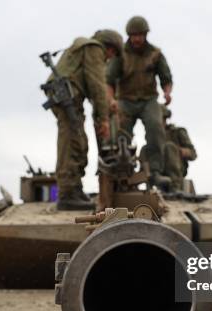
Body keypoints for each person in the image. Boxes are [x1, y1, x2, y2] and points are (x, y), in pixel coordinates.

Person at [47, 30, 123, 210]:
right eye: (112, 54)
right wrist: (103, 119)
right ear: (109, 47)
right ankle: (67, 194)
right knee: (72, 142)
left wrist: (106, 105)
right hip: (66, 98)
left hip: (67, 97)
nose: (109, 59)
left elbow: (90, 86)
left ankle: (74, 189)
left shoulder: (84, 47)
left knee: (78, 140)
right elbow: (96, 85)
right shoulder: (95, 49)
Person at [106, 16, 173, 189]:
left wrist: (167, 93)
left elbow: (166, 77)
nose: (137, 39)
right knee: (120, 134)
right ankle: (122, 174)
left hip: (148, 100)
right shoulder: (121, 54)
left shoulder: (155, 54)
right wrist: (111, 99)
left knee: (156, 128)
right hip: (125, 100)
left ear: (145, 35)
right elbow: (109, 81)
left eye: (140, 35)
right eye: (133, 35)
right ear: (129, 35)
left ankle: (155, 172)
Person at [160, 105, 197, 191]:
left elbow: (193, 154)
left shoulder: (177, 132)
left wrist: (179, 151)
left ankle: (175, 187)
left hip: (177, 171)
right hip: (158, 173)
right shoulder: (153, 137)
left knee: (169, 147)